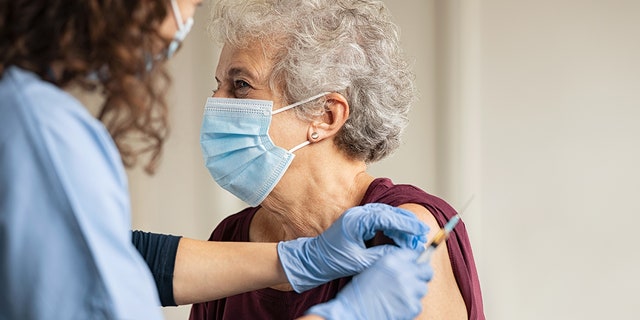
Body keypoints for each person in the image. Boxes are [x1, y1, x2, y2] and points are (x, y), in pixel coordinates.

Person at [0, 0, 433, 319]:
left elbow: (121, 254)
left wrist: (300, 259)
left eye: (241, 85)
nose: (191, 11)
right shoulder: (41, 131)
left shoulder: (405, 225)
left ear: (326, 115)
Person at [187, 0, 486, 319]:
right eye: (218, 85)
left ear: (326, 116)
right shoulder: (231, 239)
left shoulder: (404, 233)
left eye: (241, 85)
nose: (215, 102)